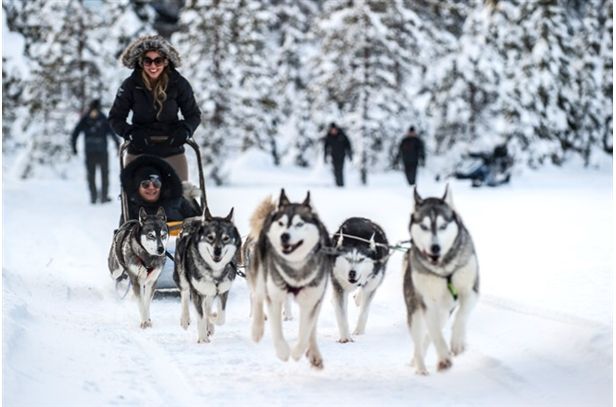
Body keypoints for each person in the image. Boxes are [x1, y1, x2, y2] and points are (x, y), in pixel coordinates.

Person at [109, 35, 201, 181]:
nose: (153, 66)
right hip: (140, 149)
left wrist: (185, 130)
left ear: (165, 62)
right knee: (136, 196)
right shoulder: (130, 85)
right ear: (141, 63)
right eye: (148, 61)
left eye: (158, 61)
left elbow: (193, 115)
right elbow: (115, 118)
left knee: (182, 196)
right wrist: (131, 133)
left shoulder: (179, 84)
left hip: (172, 148)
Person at [120, 155, 200, 223]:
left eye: (156, 184)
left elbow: (198, 223)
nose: (151, 188)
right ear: (138, 187)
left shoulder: (177, 201)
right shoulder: (130, 208)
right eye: (145, 184)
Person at [71, 99, 119, 204]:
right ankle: (96, 197)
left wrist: (117, 145)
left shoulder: (91, 118)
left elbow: (112, 133)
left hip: (96, 152)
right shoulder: (99, 118)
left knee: (100, 175)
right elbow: (75, 133)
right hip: (95, 152)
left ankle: (102, 197)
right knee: (95, 175)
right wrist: (74, 147)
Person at [323, 122, 353, 187]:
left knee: (340, 169)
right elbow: (326, 147)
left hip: (342, 155)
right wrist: (325, 157)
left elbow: (348, 145)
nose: (333, 131)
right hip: (333, 155)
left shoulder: (342, 135)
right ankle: (337, 184)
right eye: (332, 130)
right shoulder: (329, 136)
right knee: (335, 170)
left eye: (334, 129)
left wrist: (350, 155)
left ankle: (341, 184)